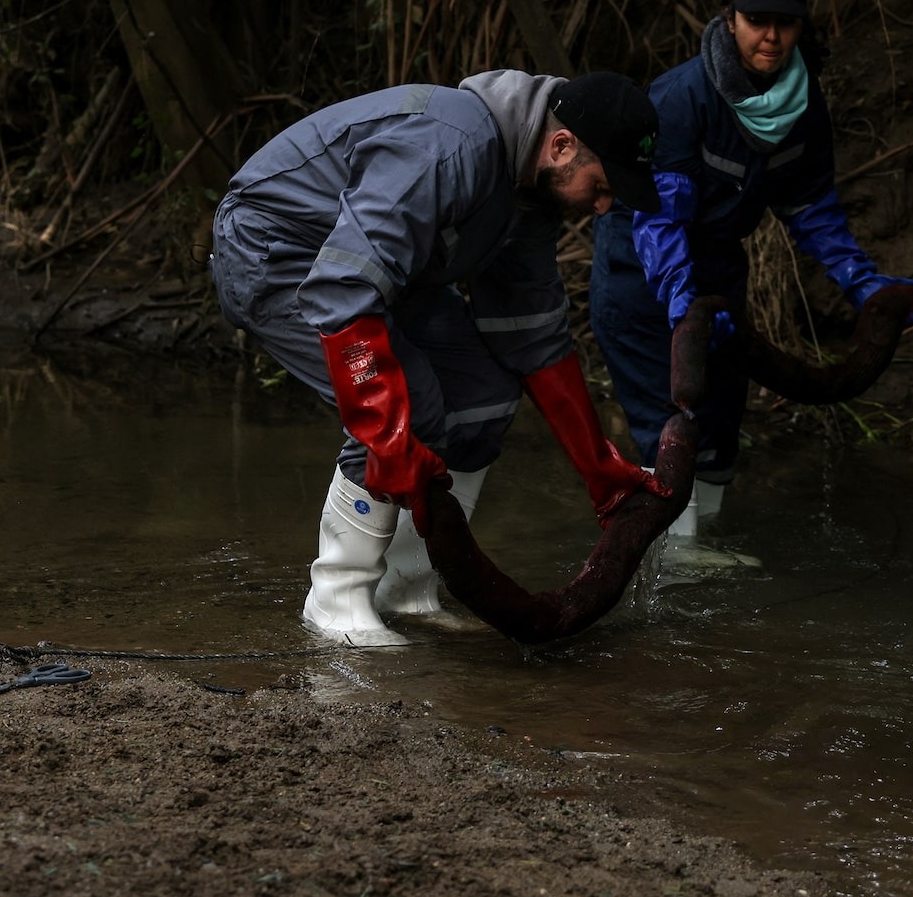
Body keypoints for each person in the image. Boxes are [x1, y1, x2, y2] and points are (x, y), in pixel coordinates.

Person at [210, 70, 675, 646]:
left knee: (483, 394)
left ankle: (405, 589)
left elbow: (530, 335)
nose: (603, 208)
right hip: (275, 249)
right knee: (409, 401)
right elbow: (341, 288)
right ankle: (337, 599)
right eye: (603, 186)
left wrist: (598, 468)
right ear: (560, 147)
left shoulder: (532, 195)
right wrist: (388, 429)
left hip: (383, 274)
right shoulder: (451, 144)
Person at [589, 0, 913, 566]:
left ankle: (704, 546)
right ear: (731, 17)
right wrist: (681, 304)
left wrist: (863, 284)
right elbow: (660, 218)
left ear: (802, 26)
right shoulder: (682, 98)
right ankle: (671, 564)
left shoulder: (804, 107)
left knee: (720, 419)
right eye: (756, 19)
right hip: (642, 274)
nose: (770, 35)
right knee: (670, 417)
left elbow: (812, 208)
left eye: (785, 22)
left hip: (719, 268)